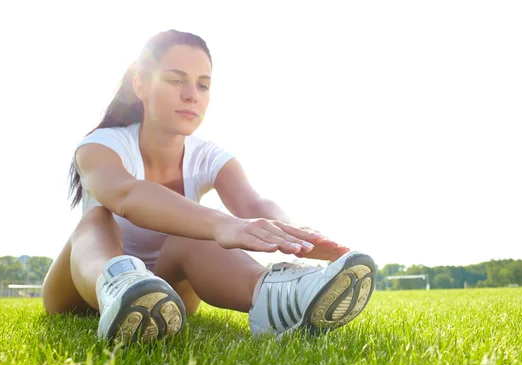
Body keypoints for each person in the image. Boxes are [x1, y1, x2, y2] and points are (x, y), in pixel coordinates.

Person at [42, 29, 377, 342]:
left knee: (196, 233)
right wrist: (221, 225)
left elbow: (253, 206)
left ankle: (281, 296)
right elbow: (127, 195)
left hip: (167, 292)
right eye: (176, 80)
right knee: (96, 219)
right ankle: (121, 285)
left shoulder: (211, 157)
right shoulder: (100, 146)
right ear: (141, 85)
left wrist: (295, 237)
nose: (191, 96)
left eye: (203, 85)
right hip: (81, 288)